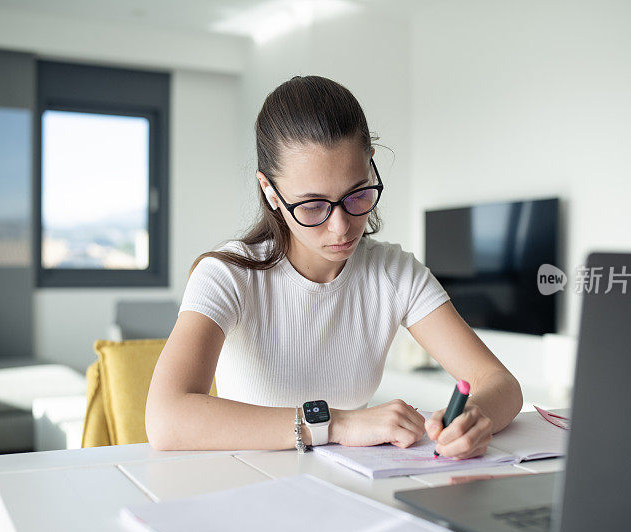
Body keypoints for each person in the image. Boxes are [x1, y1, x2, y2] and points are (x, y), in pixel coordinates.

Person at [145, 76, 522, 459]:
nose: (341, 227)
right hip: (251, 488)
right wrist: (336, 424)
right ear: (270, 191)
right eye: (312, 206)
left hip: (348, 485)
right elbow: (166, 418)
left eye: (357, 194)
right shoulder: (227, 276)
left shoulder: (394, 273)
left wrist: (473, 418)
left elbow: (499, 383)